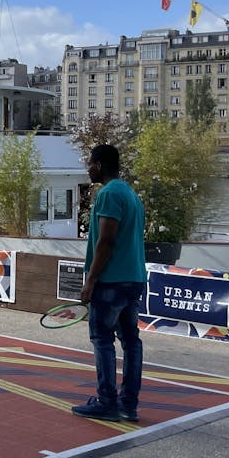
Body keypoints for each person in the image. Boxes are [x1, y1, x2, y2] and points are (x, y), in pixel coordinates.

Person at [73, 144, 147, 422]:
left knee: (102, 340)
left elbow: (105, 241)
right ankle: (129, 404)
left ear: (100, 165)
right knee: (131, 341)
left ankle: (107, 401)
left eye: (90, 163)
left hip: (111, 281)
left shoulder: (108, 194)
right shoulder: (130, 194)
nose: (88, 168)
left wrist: (90, 281)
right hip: (134, 278)